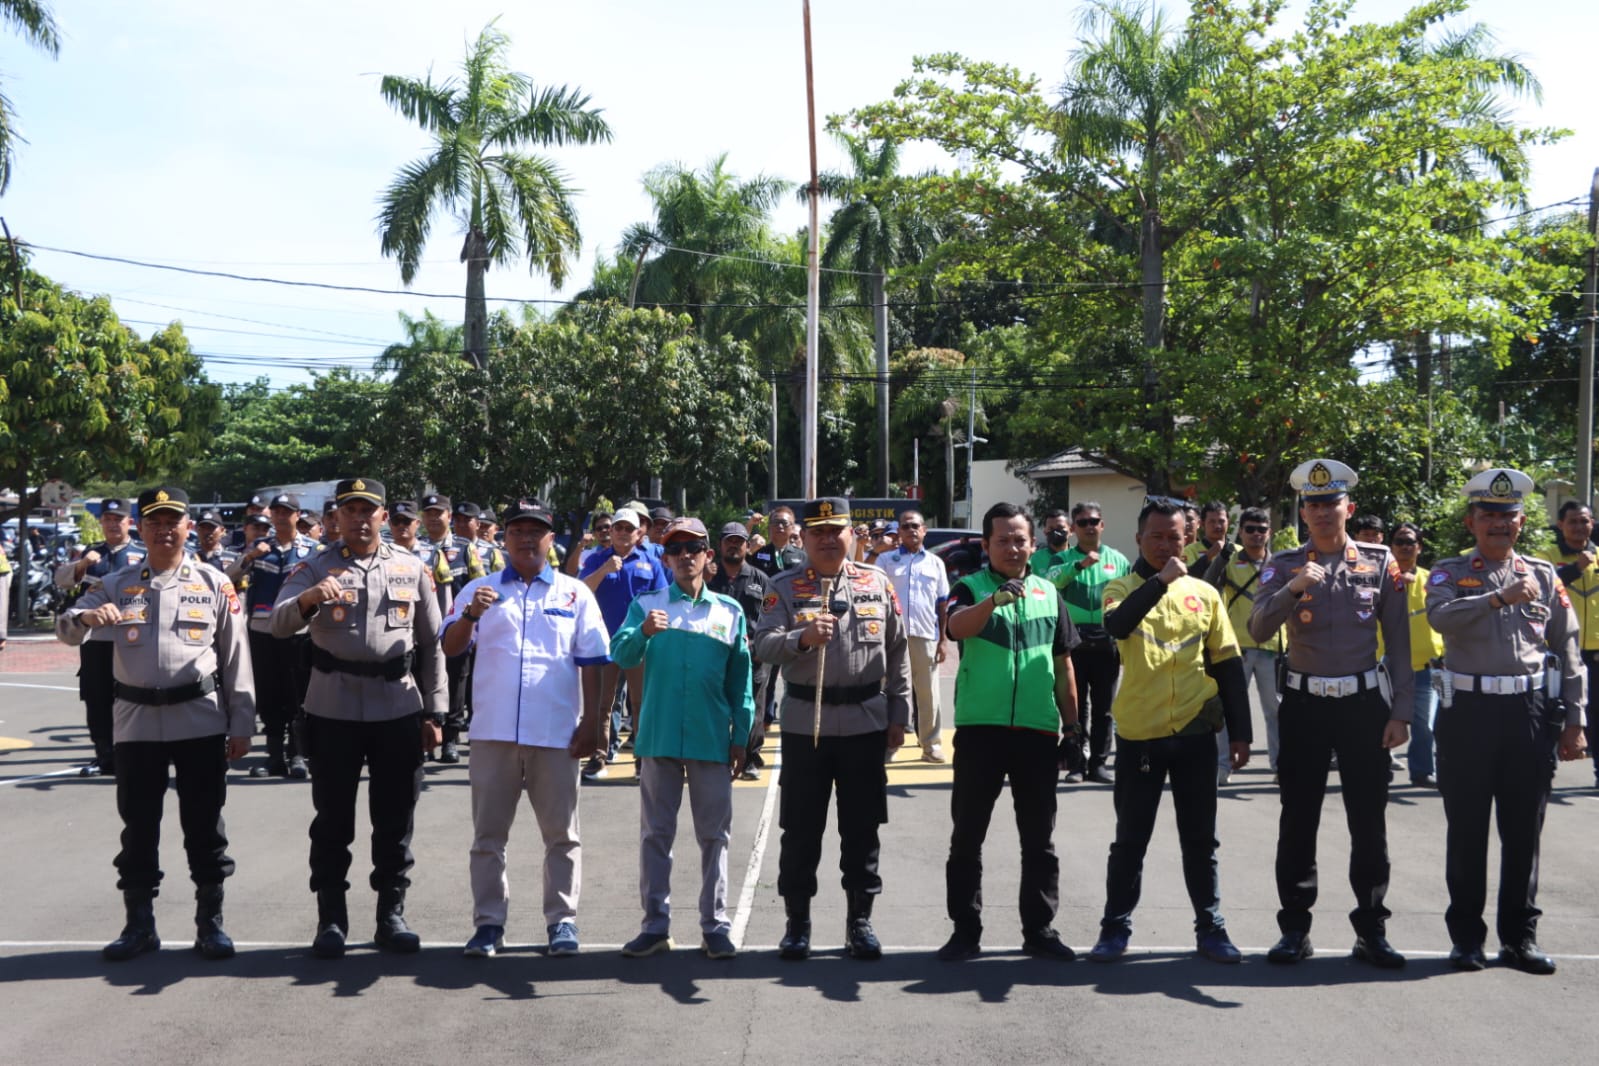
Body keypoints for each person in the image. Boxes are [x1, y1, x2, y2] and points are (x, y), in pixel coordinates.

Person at [56, 486, 254, 961]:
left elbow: (236, 656)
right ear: (140, 529)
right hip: (137, 722)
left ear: (188, 527)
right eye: (154, 522)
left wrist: (242, 722)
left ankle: (210, 923)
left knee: (205, 826)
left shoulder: (213, 582)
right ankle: (139, 925)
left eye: (172, 521)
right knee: (139, 827)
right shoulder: (116, 582)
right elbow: (66, 628)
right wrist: (86, 616)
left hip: (199, 718)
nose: (164, 530)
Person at [272, 478, 447, 958]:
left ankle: (391, 915)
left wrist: (436, 712)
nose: (359, 519)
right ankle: (331, 919)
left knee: (395, 818)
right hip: (334, 707)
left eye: (367, 510)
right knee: (332, 820)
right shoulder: (315, 566)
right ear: (336, 517)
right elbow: (278, 623)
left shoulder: (411, 567)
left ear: (383, 516)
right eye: (349, 510)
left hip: (397, 706)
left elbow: (432, 644)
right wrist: (308, 600)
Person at [1249, 459, 1412, 968]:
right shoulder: (1283, 564)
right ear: (1303, 512)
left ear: (1349, 507)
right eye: (1313, 504)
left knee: (1369, 821)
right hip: (1305, 704)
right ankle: (1294, 929)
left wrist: (1402, 711)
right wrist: (1293, 587)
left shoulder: (1380, 562)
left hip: (1364, 705)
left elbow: (1400, 645)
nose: (1322, 512)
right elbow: (1257, 629)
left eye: (1331, 503)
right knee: (1298, 819)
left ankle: (1372, 929)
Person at [1426, 468, 1588, 974]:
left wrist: (1576, 719)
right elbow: (1440, 618)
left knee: (1523, 832)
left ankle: (1520, 938)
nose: (1499, 524)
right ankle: (1466, 940)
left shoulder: (1543, 575)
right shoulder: (1449, 573)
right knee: (1467, 830)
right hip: (1468, 712)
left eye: (1508, 516)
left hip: (1529, 713)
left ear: (1521, 522)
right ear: (1471, 521)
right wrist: (1496, 598)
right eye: (1489, 516)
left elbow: (1568, 648)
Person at [440, 498, 609, 959]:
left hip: (555, 735)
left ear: (551, 539)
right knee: (488, 838)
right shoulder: (479, 589)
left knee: (562, 835)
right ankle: (488, 924)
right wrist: (471, 615)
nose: (526, 539)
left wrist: (593, 723)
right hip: (493, 734)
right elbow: (451, 648)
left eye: (536, 531)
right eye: (517, 531)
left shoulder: (574, 593)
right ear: (505, 538)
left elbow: (593, 661)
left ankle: (562, 921)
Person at [1088, 498, 1252, 964]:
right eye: (1156, 537)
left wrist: (1240, 733)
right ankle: (1114, 928)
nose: (1165, 545)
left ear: (1188, 538)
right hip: (1141, 734)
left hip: (1196, 732)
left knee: (1200, 841)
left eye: (1174, 537)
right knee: (1130, 840)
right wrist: (1160, 581)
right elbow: (1118, 625)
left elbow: (1227, 664)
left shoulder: (1205, 594)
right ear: (1138, 539)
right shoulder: (1120, 587)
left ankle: (1211, 928)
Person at [752, 497, 912, 961]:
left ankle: (859, 921)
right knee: (800, 830)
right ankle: (797, 923)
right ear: (802, 537)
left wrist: (899, 714)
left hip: (866, 722)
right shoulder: (784, 586)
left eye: (835, 530)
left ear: (850, 535)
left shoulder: (876, 582)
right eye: (817, 532)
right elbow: (762, 645)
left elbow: (897, 650)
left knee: (863, 829)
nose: (826, 539)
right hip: (808, 726)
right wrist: (801, 638)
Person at [937, 502, 1079, 962]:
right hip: (981, 730)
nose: (1013, 548)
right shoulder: (970, 587)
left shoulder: (1048, 593)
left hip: (1037, 733)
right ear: (986, 545)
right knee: (967, 837)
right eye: (1003, 540)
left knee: (1039, 841)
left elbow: (1063, 665)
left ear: (1033, 545)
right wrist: (993, 602)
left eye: (1020, 540)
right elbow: (955, 627)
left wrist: (1074, 728)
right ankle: (965, 931)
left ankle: (1040, 929)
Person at [611, 518, 754, 959]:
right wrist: (643, 632)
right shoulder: (647, 605)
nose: (685, 556)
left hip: (711, 738)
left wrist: (742, 735)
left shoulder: (729, 611)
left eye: (694, 548)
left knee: (715, 837)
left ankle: (715, 925)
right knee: (656, 835)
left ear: (708, 556)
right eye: (675, 549)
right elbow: (620, 653)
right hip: (659, 736)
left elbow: (741, 681)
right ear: (666, 558)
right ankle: (655, 925)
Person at [226, 492, 317, 779]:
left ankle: (298, 754)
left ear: (297, 516)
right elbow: (227, 577)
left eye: (286, 512)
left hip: (299, 631)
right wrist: (250, 556)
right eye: (276, 511)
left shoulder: (313, 549)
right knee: (269, 695)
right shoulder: (259, 546)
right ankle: (274, 756)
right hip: (263, 630)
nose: (280, 516)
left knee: (299, 694)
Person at [56, 498, 146, 775]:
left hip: (132, 638)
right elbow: (62, 580)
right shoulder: (92, 552)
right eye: (108, 519)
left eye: (118, 519)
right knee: (97, 698)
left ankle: (133, 753)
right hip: (96, 638)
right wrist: (83, 563)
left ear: (130, 522)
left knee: (132, 698)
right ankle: (105, 755)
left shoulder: (142, 552)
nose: (113, 524)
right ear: (101, 522)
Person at [579, 506, 670, 780]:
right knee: (603, 704)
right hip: (604, 642)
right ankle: (599, 756)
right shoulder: (597, 559)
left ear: (638, 533)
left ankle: (642, 759)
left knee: (641, 703)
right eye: (617, 527)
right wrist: (604, 570)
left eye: (628, 528)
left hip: (639, 642)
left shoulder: (650, 563)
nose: (621, 532)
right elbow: (581, 591)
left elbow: (663, 599)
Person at [1046, 501, 1131, 784]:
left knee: (1105, 708)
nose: (1089, 527)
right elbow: (1051, 582)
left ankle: (1099, 763)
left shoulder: (1118, 560)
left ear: (1102, 525)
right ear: (1073, 528)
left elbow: (1130, 598)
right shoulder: (1061, 559)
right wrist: (1079, 565)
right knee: (1076, 706)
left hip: (1107, 643)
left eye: (1094, 521)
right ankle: (1076, 764)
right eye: (1082, 522)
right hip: (1074, 642)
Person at [1204, 506, 1284, 778]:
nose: (1256, 534)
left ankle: (1279, 766)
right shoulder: (1230, 560)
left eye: (1262, 529)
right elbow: (1208, 583)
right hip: (1236, 647)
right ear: (1240, 531)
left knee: (1275, 710)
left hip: (1271, 647)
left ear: (1269, 532)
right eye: (1250, 529)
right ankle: (1222, 765)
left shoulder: (1279, 564)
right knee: (1229, 708)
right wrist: (1220, 557)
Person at [880, 509, 950, 763]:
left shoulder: (935, 563)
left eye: (915, 526)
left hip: (925, 635)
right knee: (889, 691)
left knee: (928, 693)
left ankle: (931, 745)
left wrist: (943, 640)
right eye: (905, 526)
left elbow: (942, 603)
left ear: (924, 530)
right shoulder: (885, 560)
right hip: (891, 638)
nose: (911, 530)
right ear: (899, 531)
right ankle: (888, 745)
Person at [420, 493, 484, 763]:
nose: (434, 518)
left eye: (439, 513)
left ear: (449, 516)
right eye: (429, 513)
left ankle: (450, 739)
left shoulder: (465, 548)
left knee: (456, 681)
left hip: (456, 625)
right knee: (425, 681)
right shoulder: (416, 548)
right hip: (422, 627)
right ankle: (425, 738)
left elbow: (479, 585)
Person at [707, 521, 774, 780]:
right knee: (716, 706)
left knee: (752, 708)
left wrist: (760, 646)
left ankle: (750, 758)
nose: (734, 545)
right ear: (720, 545)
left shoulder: (761, 579)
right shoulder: (708, 577)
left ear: (747, 546)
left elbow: (771, 616)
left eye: (739, 541)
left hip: (753, 655)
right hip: (716, 654)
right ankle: (717, 755)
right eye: (729, 541)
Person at [1540, 501, 1599, 785]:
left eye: (1584, 521)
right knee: (1552, 713)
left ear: (1592, 524)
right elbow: (1543, 587)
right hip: (1558, 651)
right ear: (1561, 524)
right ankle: (1543, 769)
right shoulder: (1546, 556)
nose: (1579, 527)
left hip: (1595, 651)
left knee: (1596, 714)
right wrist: (1576, 568)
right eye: (1572, 521)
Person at [1387, 522, 1443, 787]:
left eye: (1410, 542)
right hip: (1386, 665)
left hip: (1424, 666)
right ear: (1391, 547)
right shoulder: (1379, 578)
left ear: (1419, 547)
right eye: (1399, 542)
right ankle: (1379, 767)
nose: (1405, 547)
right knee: (1381, 722)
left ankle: (1421, 771)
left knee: (1425, 725)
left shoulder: (1432, 580)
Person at [1182, 501, 1233, 569]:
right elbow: (1189, 574)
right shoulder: (1189, 550)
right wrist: (1208, 556)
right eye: (1212, 521)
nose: (1217, 526)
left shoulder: (1239, 551)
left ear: (1228, 523)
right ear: (1202, 524)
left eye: (1221, 521)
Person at [1027, 508, 1072, 578]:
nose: (1055, 532)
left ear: (1071, 530)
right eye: (1051, 528)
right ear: (1045, 532)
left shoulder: (1078, 557)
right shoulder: (1034, 559)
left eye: (1060, 528)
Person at [193, 510, 238, 575]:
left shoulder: (233, 558)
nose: (206, 532)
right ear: (196, 530)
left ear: (222, 530)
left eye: (211, 528)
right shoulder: (189, 557)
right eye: (203, 528)